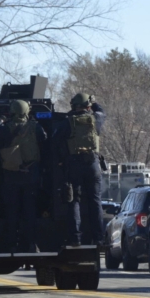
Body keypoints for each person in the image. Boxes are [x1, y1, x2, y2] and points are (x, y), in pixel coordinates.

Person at [0, 99, 47, 252]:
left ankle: (11, 244)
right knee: (29, 210)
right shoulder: (36, 128)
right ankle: (31, 243)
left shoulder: (4, 129)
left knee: (12, 210)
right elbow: (44, 144)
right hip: (31, 173)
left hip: (11, 174)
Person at [55, 92, 106, 246]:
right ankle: (98, 238)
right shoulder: (96, 118)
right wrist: (93, 101)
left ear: (74, 105)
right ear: (88, 106)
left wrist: (62, 161)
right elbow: (102, 111)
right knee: (95, 201)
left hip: (74, 164)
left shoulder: (67, 122)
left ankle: (76, 238)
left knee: (74, 201)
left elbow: (56, 141)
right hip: (93, 164)